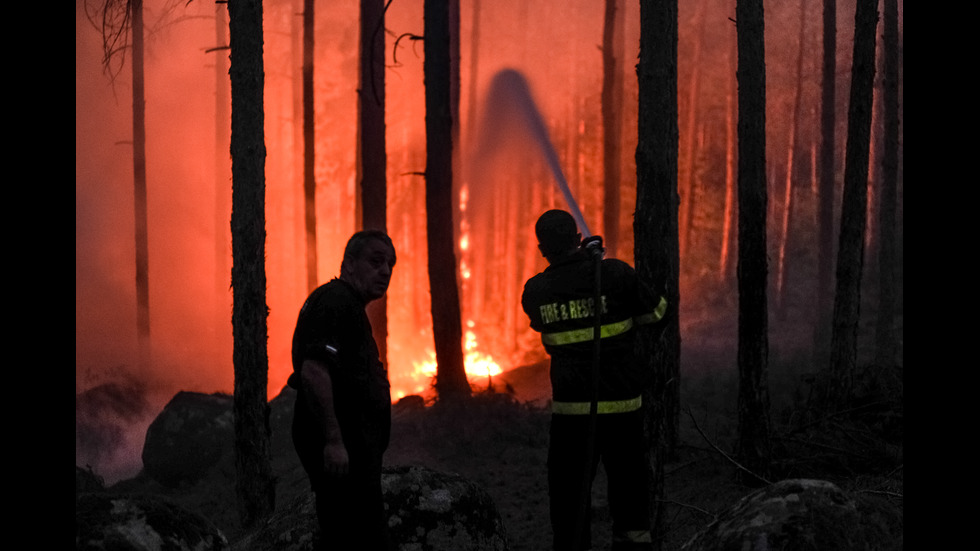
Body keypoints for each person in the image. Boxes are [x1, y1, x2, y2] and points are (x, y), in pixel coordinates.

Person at [521, 209, 669, 551]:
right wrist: (598, 267)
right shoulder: (614, 275)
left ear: (543, 249)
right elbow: (658, 314)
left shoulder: (536, 292)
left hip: (571, 419)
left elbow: (543, 323)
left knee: (568, 501)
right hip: (623, 413)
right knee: (631, 498)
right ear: (577, 240)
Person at [289, 230, 397, 551]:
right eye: (376, 261)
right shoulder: (336, 302)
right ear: (349, 264)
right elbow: (313, 370)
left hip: (355, 456)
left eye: (390, 264)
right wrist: (334, 440)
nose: (386, 271)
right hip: (344, 457)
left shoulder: (347, 305)